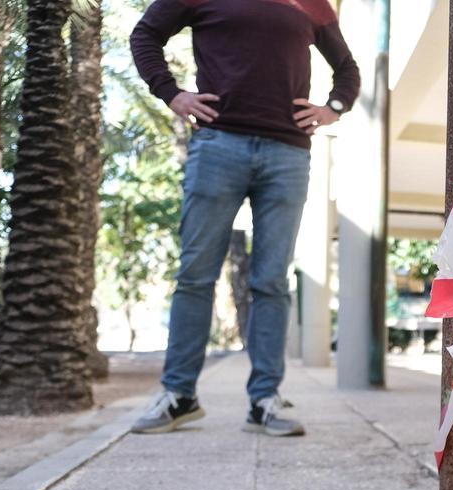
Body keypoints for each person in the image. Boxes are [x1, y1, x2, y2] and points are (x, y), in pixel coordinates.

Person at [128, 0, 360, 436]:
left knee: (271, 281)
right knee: (196, 275)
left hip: (287, 153)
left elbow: (346, 67)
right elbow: (144, 36)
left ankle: (264, 401)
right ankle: (178, 397)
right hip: (218, 145)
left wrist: (333, 107)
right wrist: (171, 93)